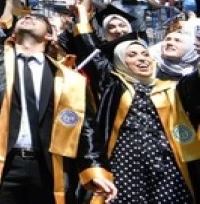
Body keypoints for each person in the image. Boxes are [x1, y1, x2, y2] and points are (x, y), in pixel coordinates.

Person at [0, 11, 116, 204]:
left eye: (39, 19)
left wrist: (95, 170)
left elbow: (85, 129)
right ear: (13, 34)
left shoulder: (68, 79)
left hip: (46, 168)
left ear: (50, 35)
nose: (28, 17)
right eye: (23, 18)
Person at [84, 37, 198, 203]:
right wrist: (82, 19)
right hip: (126, 168)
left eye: (145, 54)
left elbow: (194, 85)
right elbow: (92, 56)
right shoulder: (114, 85)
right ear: (121, 61)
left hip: (167, 168)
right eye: (132, 55)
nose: (142, 58)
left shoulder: (171, 87)